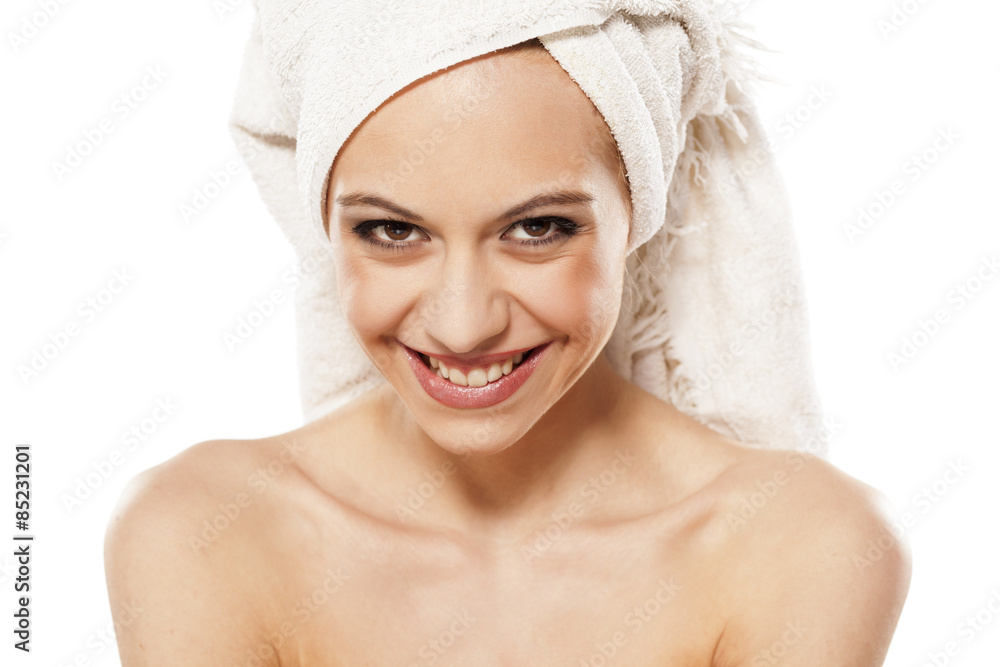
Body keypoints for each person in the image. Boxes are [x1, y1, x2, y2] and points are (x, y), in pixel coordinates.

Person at [104, 5, 910, 666]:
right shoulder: (201, 532)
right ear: (323, 225)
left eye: (538, 228)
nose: (463, 323)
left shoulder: (806, 545)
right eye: (390, 231)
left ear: (639, 211)